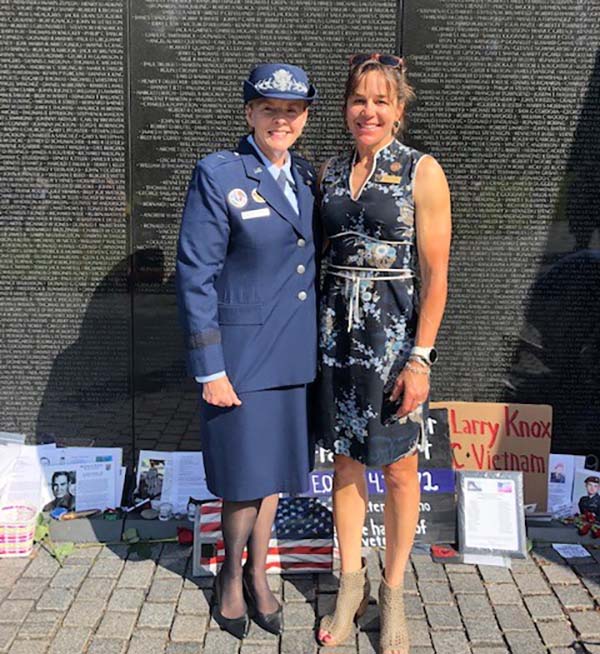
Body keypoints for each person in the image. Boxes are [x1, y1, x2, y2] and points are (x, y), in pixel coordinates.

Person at [176, 63, 318, 640]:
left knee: (272, 475)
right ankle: (229, 577)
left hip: (292, 353)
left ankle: (261, 573)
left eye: (291, 111)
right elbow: (195, 275)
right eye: (268, 109)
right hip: (240, 358)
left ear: (304, 118)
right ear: (249, 114)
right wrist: (210, 368)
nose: (280, 120)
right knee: (241, 478)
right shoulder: (220, 175)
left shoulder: (307, 177)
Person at [316, 54, 451, 653]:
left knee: (398, 469)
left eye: (381, 101)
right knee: (344, 462)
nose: (367, 111)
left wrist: (420, 357)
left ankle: (393, 592)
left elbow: (436, 273)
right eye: (358, 101)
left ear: (399, 109)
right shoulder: (328, 171)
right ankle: (352, 585)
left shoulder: (422, 171)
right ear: (346, 108)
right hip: (335, 340)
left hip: (392, 344)